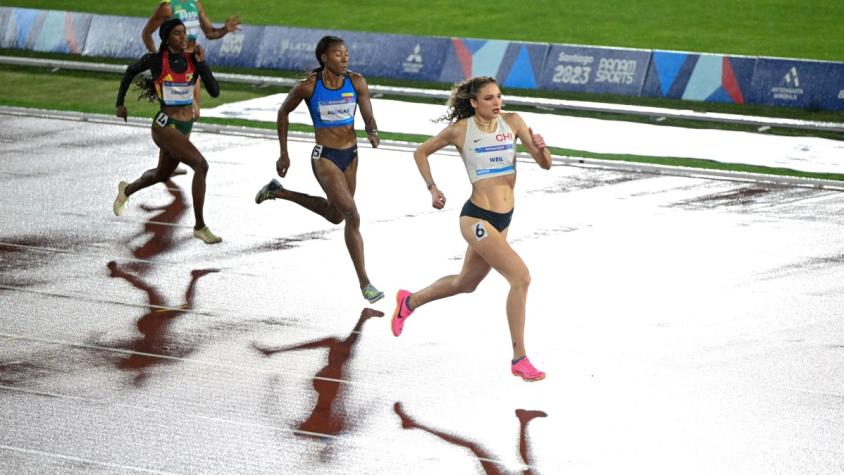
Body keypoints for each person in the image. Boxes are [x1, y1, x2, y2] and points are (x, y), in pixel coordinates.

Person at [390, 76, 552, 382]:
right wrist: (432, 188)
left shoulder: (514, 122)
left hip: (503, 219)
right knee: (521, 277)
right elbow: (420, 152)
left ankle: (409, 301)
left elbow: (545, 164)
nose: (497, 102)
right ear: (474, 102)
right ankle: (520, 358)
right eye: (489, 98)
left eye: (499, 96)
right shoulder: (461, 130)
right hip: (476, 218)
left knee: (466, 283)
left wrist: (543, 150)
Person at [254, 35, 384, 304]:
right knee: (352, 214)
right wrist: (283, 153)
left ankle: (279, 192)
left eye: (346, 53)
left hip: (352, 154)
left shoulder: (356, 81)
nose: (345, 57)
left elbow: (367, 112)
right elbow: (283, 113)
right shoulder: (308, 87)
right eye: (338, 54)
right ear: (324, 57)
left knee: (336, 216)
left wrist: (372, 131)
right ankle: (365, 283)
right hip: (324, 157)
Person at [113, 18, 222, 245]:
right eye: (177, 34)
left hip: (185, 126)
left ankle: (127, 190)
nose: (183, 38)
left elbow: (215, 91)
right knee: (201, 165)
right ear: (166, 39)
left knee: (162, 175)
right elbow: (130, 70)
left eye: (184, 33)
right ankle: (200, 226)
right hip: (164, 125)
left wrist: (202, 64)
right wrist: (120, 103)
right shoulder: (155, 60)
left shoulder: (193, 60)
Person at [141, 0, 240, 120]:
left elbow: (210, 33)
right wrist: (157, 59)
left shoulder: (195, 4)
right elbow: (147, 33)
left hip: (192, 65)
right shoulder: (167, 7)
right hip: (174, 67)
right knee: (178, 113)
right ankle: (167, 135)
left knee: (194, 114)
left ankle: (173, 135)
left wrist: (225, 29)